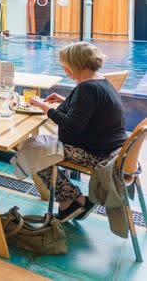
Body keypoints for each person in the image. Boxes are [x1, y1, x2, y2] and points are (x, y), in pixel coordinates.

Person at [29, 42, 128, 221]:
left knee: (31, 152)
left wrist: (45, 107)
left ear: (75, 64)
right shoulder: (102, 82)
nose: (64, 69)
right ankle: (72, 200)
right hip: (114, 151)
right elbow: (89, 110)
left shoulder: (86, 88)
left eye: (65, 65)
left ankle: (74, 200)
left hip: (97, 155)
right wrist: (65, 100)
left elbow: (73, 126)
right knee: (37, 147)